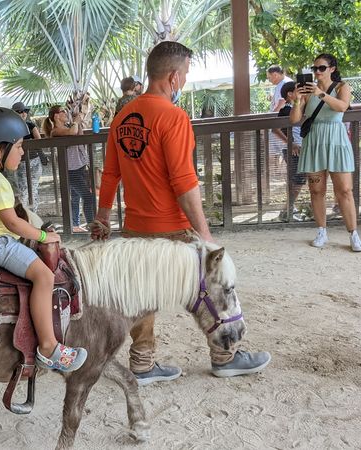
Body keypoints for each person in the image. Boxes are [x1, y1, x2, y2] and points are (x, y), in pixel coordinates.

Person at [91, 41, 271, 383]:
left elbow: (111, 172)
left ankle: (142, 364)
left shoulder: (122, 118)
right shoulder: (174, 117)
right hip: (173, 226)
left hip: (136, 225)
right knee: (213, 285)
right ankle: (225, 354)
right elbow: (184, 181)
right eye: (186, 73)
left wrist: (102, 217)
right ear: (173, 77)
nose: (185, 79)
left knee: (140, 295)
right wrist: (203, 234)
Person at [0, 106, 87, 372]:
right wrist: (44, 235)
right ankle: (49, 347)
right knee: (44, 276)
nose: (22, 151)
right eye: (18, 146)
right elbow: (13, 222)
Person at [290, 53, 361, 252]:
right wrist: (297, 100)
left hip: (336, 140)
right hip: (314, 141)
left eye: (321, 68)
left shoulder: (342, 87)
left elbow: (342, 107)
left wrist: (320, 94)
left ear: (332, 69)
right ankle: (322, 230)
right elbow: (295, 119)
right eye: (314, 69)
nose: (317, 72)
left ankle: (353, 234)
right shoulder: (307, 92)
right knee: (316, 190)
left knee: (345, 190)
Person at [44, 105, 95, 232]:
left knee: (75, 198)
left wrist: (78, 121)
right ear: (56, 116)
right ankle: (92, 225)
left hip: (80, 166)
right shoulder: (55, 131)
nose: (66, 113)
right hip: (71, 170)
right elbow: (72, 133)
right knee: (88, 197)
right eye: (63, 112)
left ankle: (75, 225)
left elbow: (78, 135)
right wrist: (76, 122)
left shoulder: (69, 126)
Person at [272, 81, 306, 220]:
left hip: (300, 147)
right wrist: (291, 143)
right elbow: (275, 129)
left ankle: (289, 208)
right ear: (290, 94)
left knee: (299, 180)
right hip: (292, 149)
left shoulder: (300, 108)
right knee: (297, 180)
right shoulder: (286, 109)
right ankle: (287, 210)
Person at [11, 102, 44, 210]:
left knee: (33, 189)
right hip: (20, 162)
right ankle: (25, 215)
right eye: (20, 112)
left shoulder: (31, 125)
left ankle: (32, 214)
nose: (23, 114)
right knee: (23, 189)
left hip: (34, 160)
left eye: (25, 111)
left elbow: (38, 141)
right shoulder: (10, 127)